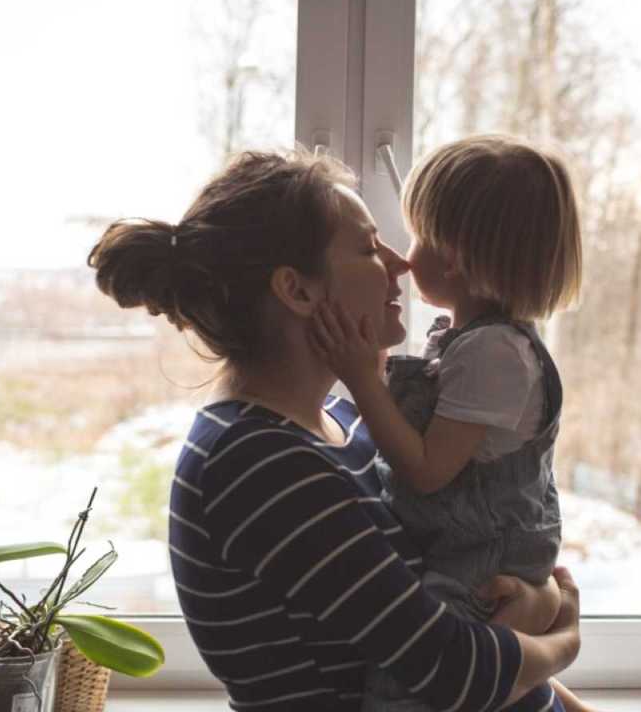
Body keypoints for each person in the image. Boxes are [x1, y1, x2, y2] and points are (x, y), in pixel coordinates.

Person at [87, 148, 580, 711]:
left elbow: (454, 616)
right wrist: (564, 634)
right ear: (298, 291)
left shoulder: (346, 428)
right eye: (370, 247)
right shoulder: (257, 465)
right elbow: (451, 670)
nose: (401, 264)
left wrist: (539, 606)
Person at [309, 135, 593, 711]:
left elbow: (427, 472)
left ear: (457, 256)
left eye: (420, 238)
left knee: (410, 688)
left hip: (480, 565)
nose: (405, 257)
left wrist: (364, 378)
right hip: (468, 553)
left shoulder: (494, 354)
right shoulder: (474, 344)